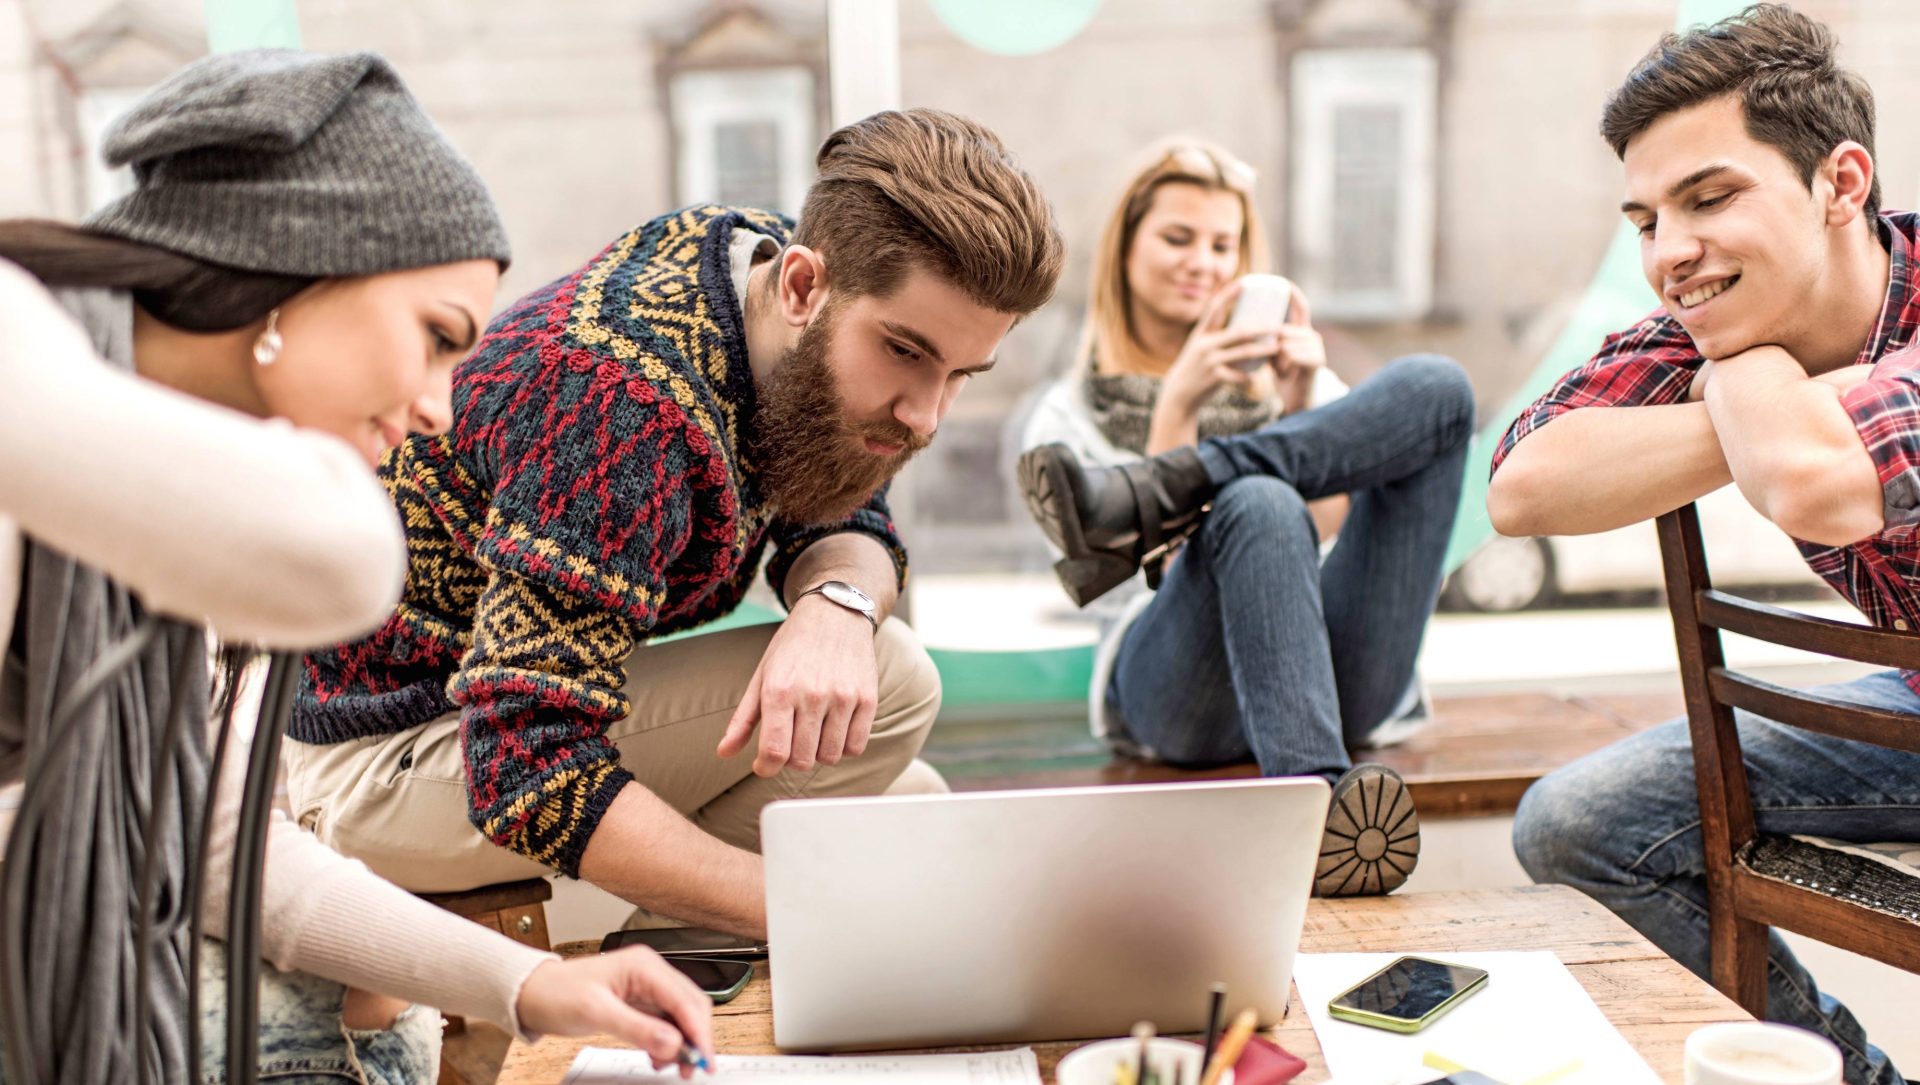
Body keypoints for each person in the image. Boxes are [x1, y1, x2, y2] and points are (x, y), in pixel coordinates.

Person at [0, 50, 714, 1084]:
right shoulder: (22, 360)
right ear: (302, 260)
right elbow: (343, 562)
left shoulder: (178, 503)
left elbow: (223, 848)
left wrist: (529, 983)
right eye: (434, 338)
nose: (438, 406)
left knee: (391, 1017)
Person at [287, 109, 1067, 937]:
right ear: (804, 285)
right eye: (905, 352)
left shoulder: (768, 279)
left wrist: (836, 606)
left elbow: (842, 502)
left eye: (961, 375)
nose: (926, 416)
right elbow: (525, 766)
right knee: (898, 690)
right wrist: (807, 913)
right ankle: (664, 946)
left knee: (911, 805)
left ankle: (681, 925)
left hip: (478, 731)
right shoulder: (616, 408)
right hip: (390, 756)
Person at [1490, 7, 1918, 1083]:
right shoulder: (1722, 317)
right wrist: (1749, 391)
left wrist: (1748, 377)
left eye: (1711, 197)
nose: (1670, 253)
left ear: (1842, 183)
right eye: (1645, 219)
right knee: (1579, 823)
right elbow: (1523, 485)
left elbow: (1822, 484)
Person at [1016, 139, 1476, 897]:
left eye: (1223, 243)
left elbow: (1329, 526)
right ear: (1125, 250)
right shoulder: (1066, 414)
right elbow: (1157, 575)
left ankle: (1156, 488)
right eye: (1177, 237)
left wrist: (1298, 400)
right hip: (1178, 690)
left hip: (1317, 678)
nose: (1204, 261)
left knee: (1439, 385)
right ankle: (1323, 804)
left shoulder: (1291, 379)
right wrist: (1179, 406)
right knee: (1257, 499)